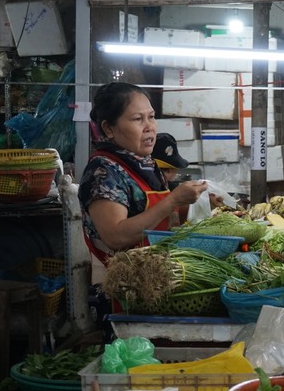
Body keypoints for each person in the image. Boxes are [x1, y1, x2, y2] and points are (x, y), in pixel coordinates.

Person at [78, 82, 209, 273]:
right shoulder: (103, 171)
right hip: (123, 285)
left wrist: (195, 203)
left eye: (152, 117)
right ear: (109, 129)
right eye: (138, 119)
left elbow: (157, 218)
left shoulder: (145, 164)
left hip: (156, 273)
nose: (149, 127)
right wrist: (173, 200)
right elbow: (115, 236)